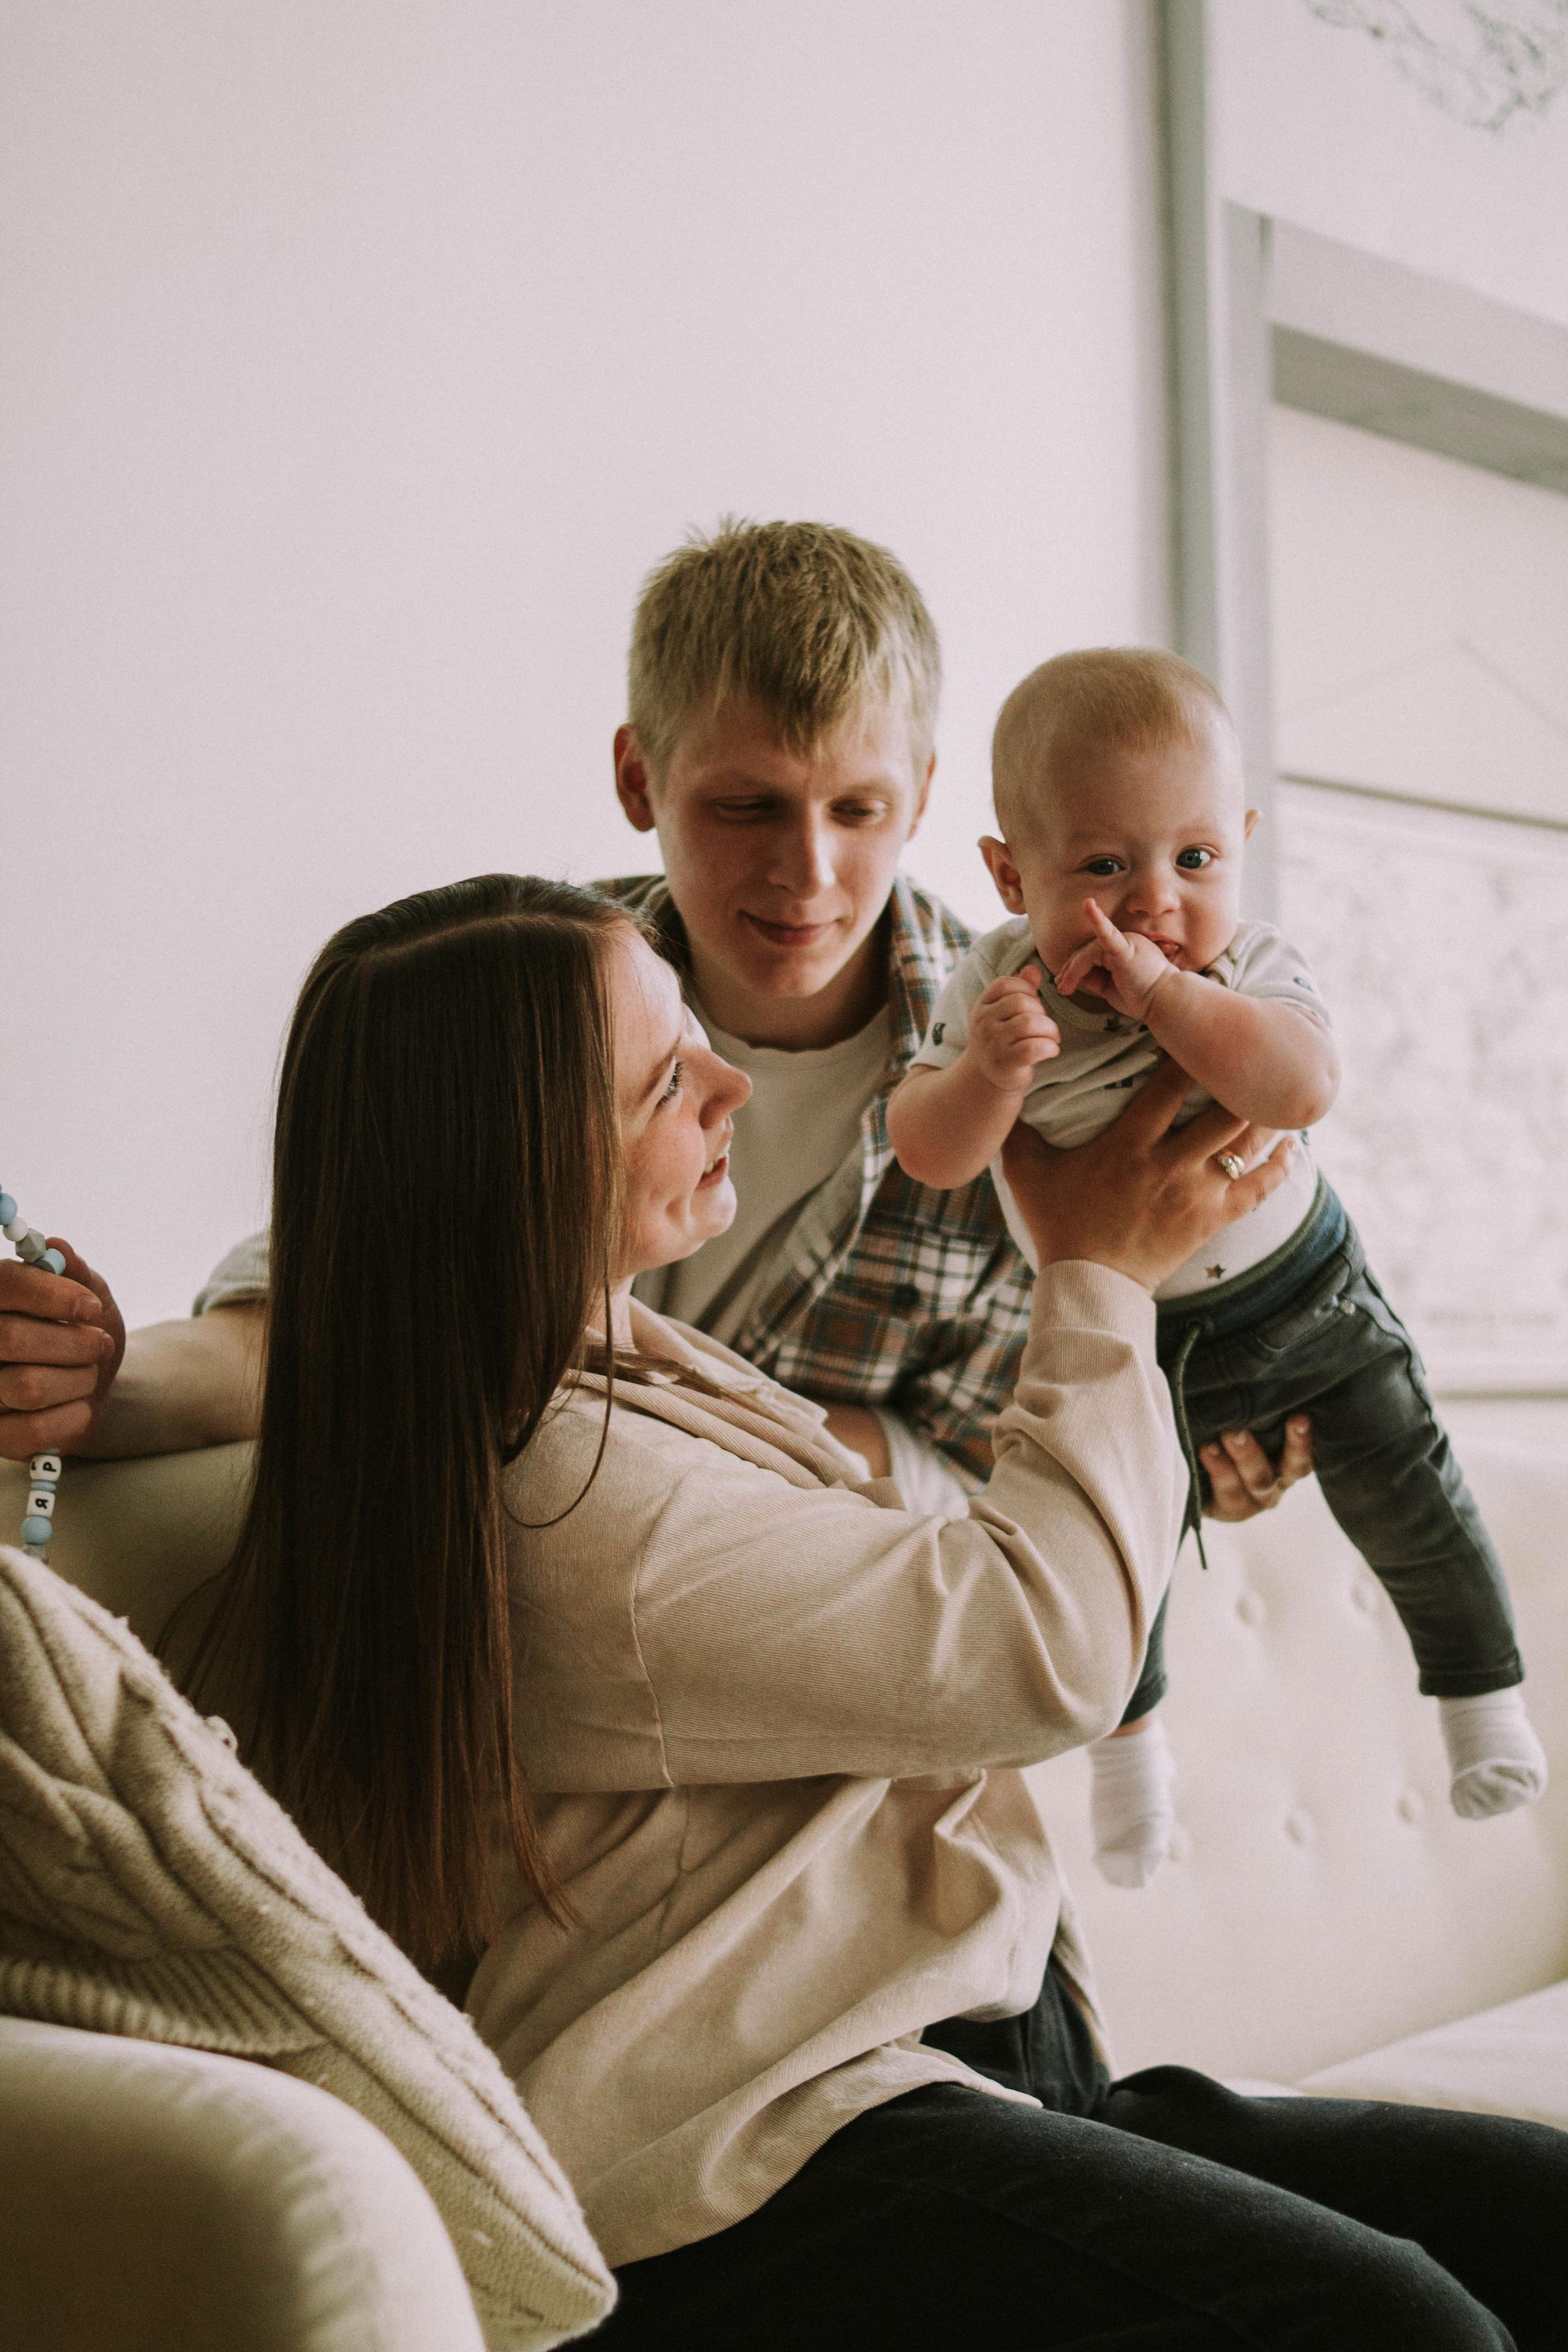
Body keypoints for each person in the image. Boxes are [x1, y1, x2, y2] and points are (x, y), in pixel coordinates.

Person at [165, 872, 1562, 2350]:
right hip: (764, 2153)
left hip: (952, 2061)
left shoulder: (614, 1371)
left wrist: (1187, 1422)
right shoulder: (567, 1498)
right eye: (662, 1079)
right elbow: (1041, 1650)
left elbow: (929, 1524)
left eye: (694, 1035)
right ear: (507, 1164)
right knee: (1395, 2329)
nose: (725, 1084)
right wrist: (1096, 1274)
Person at [0, 522, 1310, 1536]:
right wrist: (94, 1386)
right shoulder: (519, 1001)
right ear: (640, 779)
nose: (805, 876)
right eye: (745, 807)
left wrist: (1203, 1455)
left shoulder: (1033, 1065)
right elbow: (340, 1310)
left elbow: (999, 1466)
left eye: (854, 811)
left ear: (919, 797)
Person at [888, 647, 1547, 1888]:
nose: (1153, 906)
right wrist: (987, 1076)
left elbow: (1300, 1085)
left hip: (1304, 1293)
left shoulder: (1241, 966)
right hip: (1129, 1340)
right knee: (1112, 1547)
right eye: (1101, 867)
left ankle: (1479, 1701)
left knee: (1399, 1473)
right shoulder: (989, 985)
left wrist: (1163, 1000)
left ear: (1238, 844)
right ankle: (1132, 1773)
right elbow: (926, 1153)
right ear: (1006, 872)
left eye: (1192, 861)